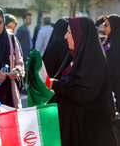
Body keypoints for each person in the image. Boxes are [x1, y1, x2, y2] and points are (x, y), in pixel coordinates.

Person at [50, 17, 117, 146]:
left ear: (80, 35)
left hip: (90, 132)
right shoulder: (74, 56)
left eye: (69, 32)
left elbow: (85, 93)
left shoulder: (94, 61)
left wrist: (56, 85)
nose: (65, 36)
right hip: (74, 128)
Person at [103, 14, 120, 142]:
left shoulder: (116, 43)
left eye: (106, 25)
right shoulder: (107, 40)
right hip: (109, 85)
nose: (104, 27)